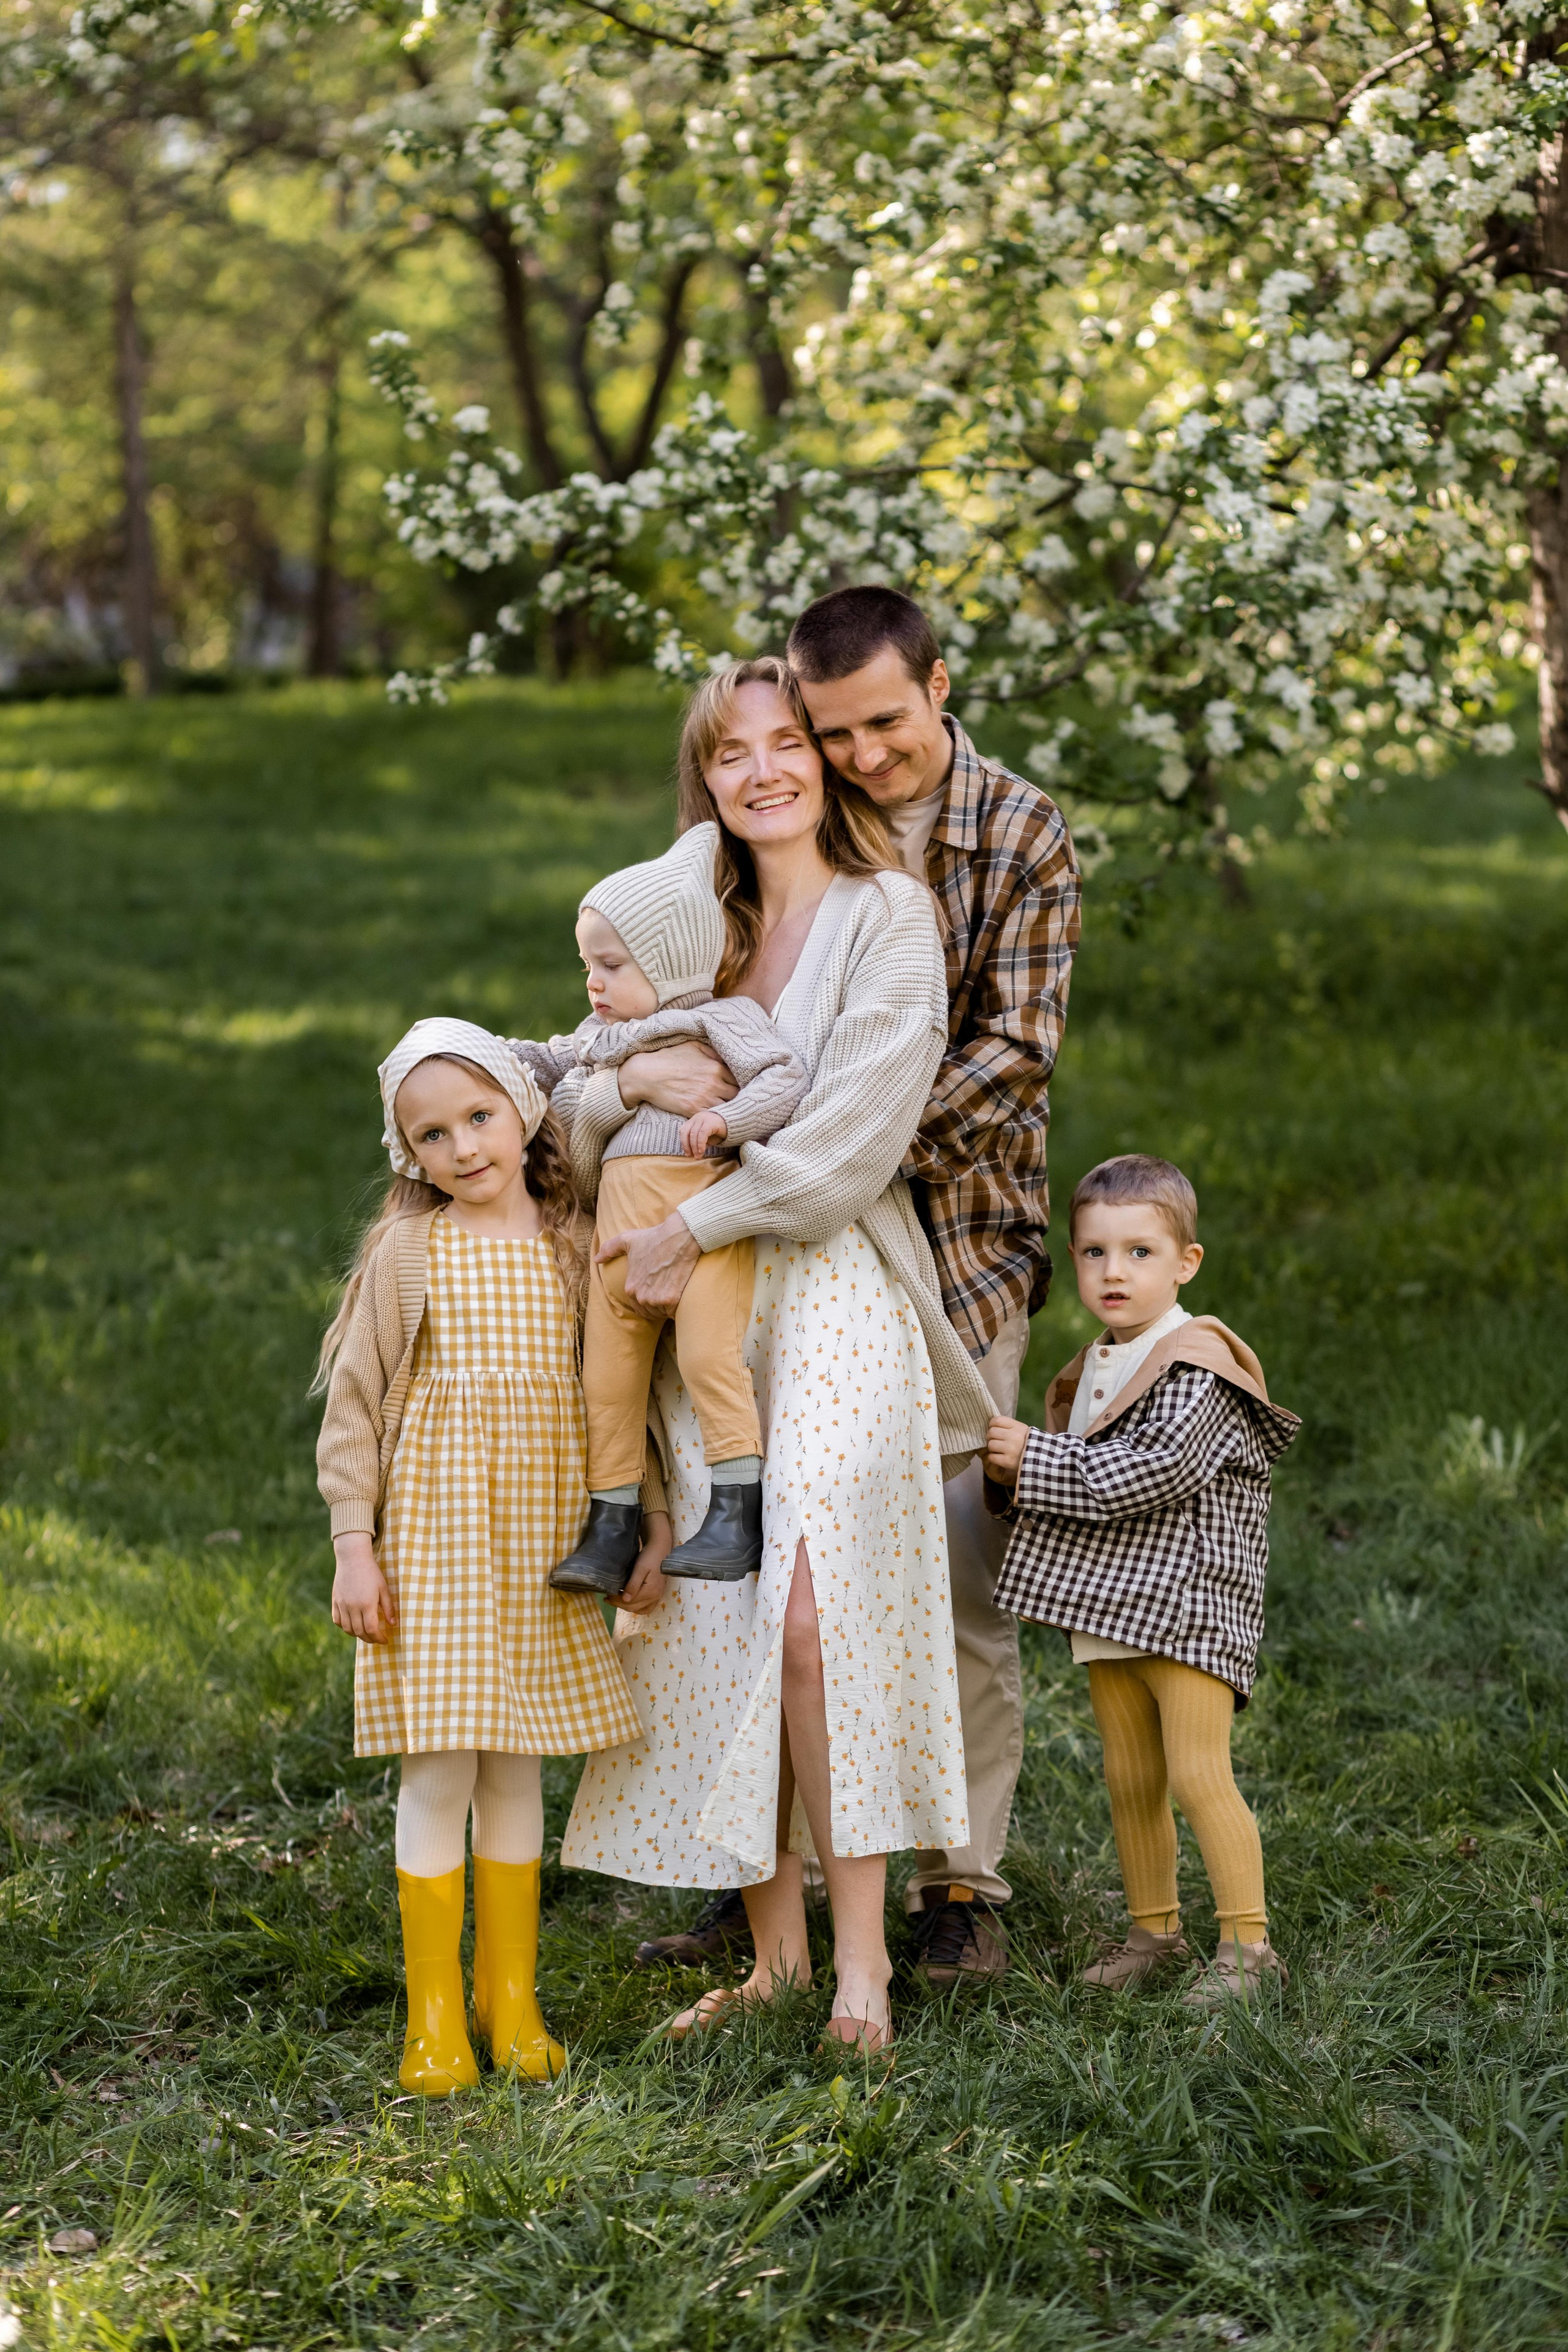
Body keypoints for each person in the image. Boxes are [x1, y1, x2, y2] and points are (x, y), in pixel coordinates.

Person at [634, 586, 1080, 1985]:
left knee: (949, 1573)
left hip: (956, 1242)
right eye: (834, 734)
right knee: (766, 1562)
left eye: (885, 723)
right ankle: (762, 1862)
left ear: (939, 686)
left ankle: (957, 1880)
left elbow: (1014, 1054)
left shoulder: (1016, 834)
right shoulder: (760, 850)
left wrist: (834, 1138)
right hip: (772, 1247)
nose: (863, 755)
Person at [560, 657, 995, 2055]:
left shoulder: (888, 916)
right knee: (729, 1612)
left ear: (823, 753)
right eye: (729, 750)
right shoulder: (684, 922)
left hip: (829, 1285)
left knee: (816, 1617)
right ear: (706, 775)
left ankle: (863, 1962)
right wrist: (630, 1081)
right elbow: (567, 1105)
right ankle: (774, 1956)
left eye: (785, 741)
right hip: (695, 1305)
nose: (761, 770)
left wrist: (696, 1219)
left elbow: (853, 1143)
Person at [314, 1017, 658, 2095]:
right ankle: (432, 2017)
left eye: (479, 1117)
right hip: (437, 1541)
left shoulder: (574, 1241)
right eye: (433, 1135)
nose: (463, 1147)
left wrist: (638, 1518)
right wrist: (354, 1545)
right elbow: (355, 1409)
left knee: (518, 1760)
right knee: (440, 1764)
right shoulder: (409, 1253)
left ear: (523, 1110)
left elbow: (620, 1399)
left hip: (542, 1543)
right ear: (407, 1152)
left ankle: (509, 1999)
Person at [982, 1154, 1300, 2005]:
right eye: (1094, 1253)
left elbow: (1152, 1472)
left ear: (1185, 1263)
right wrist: (1024, 1469)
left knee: (1197, 1774)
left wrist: (1034, 1459)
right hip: (1114, 1604)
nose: (1113, 1272)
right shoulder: (1100, 1362)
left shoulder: (1196, 1365)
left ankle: (1248, 1949)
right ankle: (1152, 1932)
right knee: (1129, 1776)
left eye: (1139, 1253)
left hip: (1189, 1607)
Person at [503, 824, 807, 1595]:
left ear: (668, 962)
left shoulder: (720, 1020)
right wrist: (483, 1058)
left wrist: (729, 1121)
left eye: (610, 965)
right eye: (586, 966)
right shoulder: (597, 1038)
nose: (593, 984)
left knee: (710, 1361)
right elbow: (545, 1066)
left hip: (697, 1236)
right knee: (606, 1383)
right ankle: (612, 1524)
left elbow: (783, 1078)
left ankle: (735, 1516)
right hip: (615, 1243)